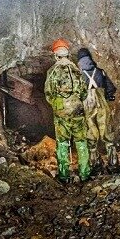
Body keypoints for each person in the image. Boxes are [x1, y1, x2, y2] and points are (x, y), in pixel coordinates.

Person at [44, 38, 90, 182]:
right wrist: (75, 102)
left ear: (55, 54)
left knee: (62, 143)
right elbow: (84, 92)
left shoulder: (52, 71)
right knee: (81, 141)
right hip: (77, 111)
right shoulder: (76, 70)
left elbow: (48, 93)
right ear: (67, 53)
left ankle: (64, 175)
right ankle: (84, 173)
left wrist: (58, 104)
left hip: (61, 112)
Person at [76, 47, 118, 169]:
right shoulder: (100, 72)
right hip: (101, 104)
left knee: (91, 134)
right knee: (107, 133)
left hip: (87, 105)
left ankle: (95, 164)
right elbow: (111, 89)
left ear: (79, 61)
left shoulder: (79, 76)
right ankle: (113, 163)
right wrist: (108, 96)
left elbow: (77, 95)